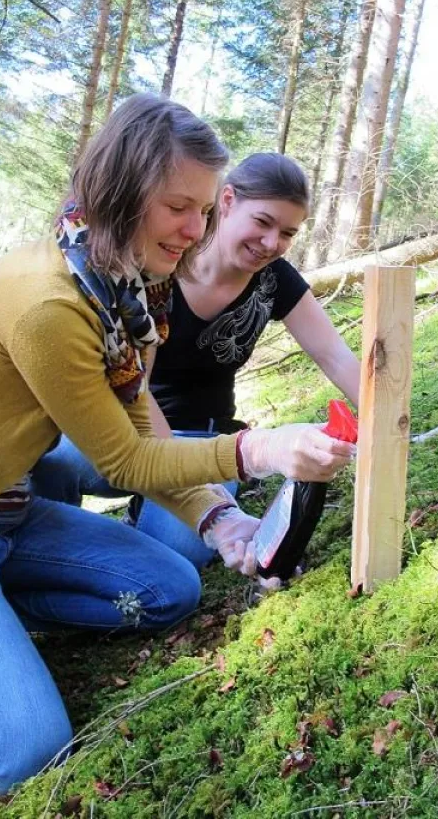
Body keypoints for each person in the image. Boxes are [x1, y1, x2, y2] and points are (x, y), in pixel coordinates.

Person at [0, 96, 355, 798]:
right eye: (178, 206)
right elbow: (124, 462)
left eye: (205, 209)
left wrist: (219, 517)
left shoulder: (125, 287)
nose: (194, 228)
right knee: (16, 754)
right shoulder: (47, 305)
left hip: (6, 508)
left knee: (168, 593)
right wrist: (258, 451)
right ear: (121, 192)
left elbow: (141, 417)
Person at [32, 152, 361, 567]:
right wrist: (176, 478)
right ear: (226, 202)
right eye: (262, 222)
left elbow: (332, 353)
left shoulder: (275, 280)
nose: (272, 242)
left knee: (178, 553)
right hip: (129, 430)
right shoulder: (162, 261)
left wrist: (386, 419)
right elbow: (132, 384)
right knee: (52, 463)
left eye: (287, 233)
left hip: (209, 445)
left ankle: (137, 544)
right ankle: (49, 557)